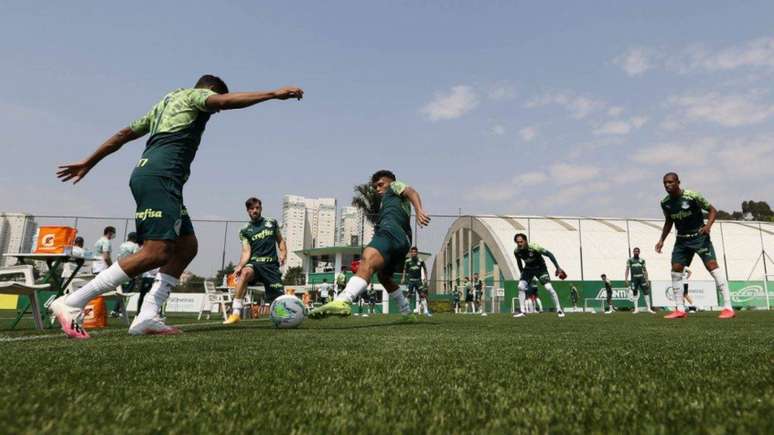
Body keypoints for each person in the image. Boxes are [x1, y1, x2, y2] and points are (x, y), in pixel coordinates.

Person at [52, 75, 303, 339]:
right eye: (213, 106)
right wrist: (273, 94)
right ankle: (73, 302)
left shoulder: (163, 104)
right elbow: (226, 101)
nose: (214, 111)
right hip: (161, 177)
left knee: (186, 246)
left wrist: (88, 162)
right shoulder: (194, 96)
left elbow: (123, 134)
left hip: (155, 176)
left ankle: (148, 314)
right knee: (156, 252)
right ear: (209, 91)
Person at [309, 170, 430, 319]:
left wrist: (419, 210)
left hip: (390, 232)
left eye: (380, 184)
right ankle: (406, 312)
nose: (377, 189)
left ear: (390, 182)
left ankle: (343, 300)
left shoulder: (394, 186)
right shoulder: (389, 201)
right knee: (384, 277)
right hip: (404, 241)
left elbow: (411, 191)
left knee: (367, 259)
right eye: (375, 187)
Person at [656, 172, 735, 319]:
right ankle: (680, 309)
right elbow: (669, 221)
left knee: (712, 266)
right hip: (681, 240)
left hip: (699, 237)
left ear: (678, 182)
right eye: (665, 183)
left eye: (670, 182)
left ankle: (728, 307)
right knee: (675, 270)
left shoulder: (692, 196)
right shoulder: (665, 202)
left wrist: (708, 226)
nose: (667, 185)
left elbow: (713, 210)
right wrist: (662, 240)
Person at [224, 197, 287, 325]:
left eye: (257, 208)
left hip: (271, 266)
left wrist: (283, 253)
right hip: (255, 264)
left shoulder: (271, 223)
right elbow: (246, 251)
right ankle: (235, 313)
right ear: (248, 211)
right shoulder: (244, 230)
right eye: (252, 209)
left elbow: (280, 240)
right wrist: (240, 265)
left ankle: (282, 318)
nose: (255, 210)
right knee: (245, 273)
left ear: (261, 209)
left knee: (279, 299)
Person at [512, 233, 566, 318]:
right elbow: (519, 262)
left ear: (525, 241)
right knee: (520, 287)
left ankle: (559, 310)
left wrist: (558, 267)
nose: (519, 244)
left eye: (521, 242)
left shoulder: (534, 247)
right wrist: (522, 273)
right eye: (517, 242)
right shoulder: (516, 251)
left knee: (549, 288)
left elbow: (549, 254)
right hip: (528, 269)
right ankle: (523, 312)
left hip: (540, 269)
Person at [112, 232, 141, 318]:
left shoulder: (122, 245)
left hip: (120, 269)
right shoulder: (135, 246)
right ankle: (121, 311)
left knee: (120, 291)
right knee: (127, 292)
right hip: (130, 271)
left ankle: (115, 310)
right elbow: (136, 258)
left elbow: (118, 257)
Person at [625, 247, 655, 314]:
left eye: (637, 251)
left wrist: (647, 280)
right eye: (635, 251)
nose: (636, 252)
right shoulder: (630, 260)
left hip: (642, 278)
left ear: (639, 252)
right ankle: (636, 309)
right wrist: (626, 279)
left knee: (646, 292)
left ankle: (649, 308)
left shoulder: (642, 260)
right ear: (633, 252)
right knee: (634, 292)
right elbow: (627, 270)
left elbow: (645, 270)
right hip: (634, 279)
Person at [402, 247, 427, 313]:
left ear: (417, 253)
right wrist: (403, 278)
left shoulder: (421, 261)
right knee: (408, 294)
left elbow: (425, 269)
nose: (414, 253)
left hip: (418, 280)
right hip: (411, 280)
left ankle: (426, 311)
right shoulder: (407, 261)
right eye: (412, 252)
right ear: (411, 253)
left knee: (422, 294)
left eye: (415, 252)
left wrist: (426, 279)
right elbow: (404, 270)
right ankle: (406, 310)